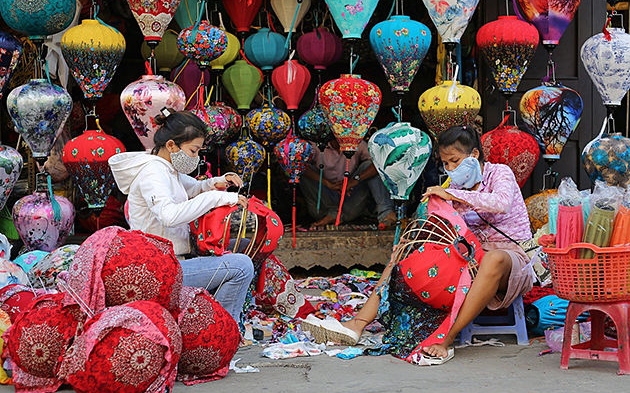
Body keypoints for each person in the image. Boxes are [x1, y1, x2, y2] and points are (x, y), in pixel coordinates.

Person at [302, 125, 533, 361]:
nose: (451, 169)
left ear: (474, 155)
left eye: (455, 161)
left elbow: (501, 202)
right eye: (446, 164)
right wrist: (413, 241)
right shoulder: (453, 187)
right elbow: (443, 227)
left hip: (509, 258)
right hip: (471, 258)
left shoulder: (499, 173)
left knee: (494, 259)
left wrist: (453, 196)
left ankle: (446, 338)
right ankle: (357, 324)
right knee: (406, 252)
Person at [109, 108, 255, 321]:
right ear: (171, 146)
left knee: (238, 249)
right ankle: (223, 329)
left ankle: (212, 324)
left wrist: (219, 182)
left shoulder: (168, 169)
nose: (195, 157)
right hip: (160, 269)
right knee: (241, 267)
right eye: (193, 151)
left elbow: (195, 188)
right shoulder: (153, 173)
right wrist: (220, 198)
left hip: (173, 262)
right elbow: (169, 215)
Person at [300, 139, 396, 228]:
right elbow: (301, 166)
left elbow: (379, 163)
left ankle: (386, 213)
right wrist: (328, 184)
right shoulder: (316, 145)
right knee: (300, 169)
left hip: (349, 198)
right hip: (324, 198)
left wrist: (352, 182)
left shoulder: (357, 143)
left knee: (369, 167)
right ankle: (334, 214)